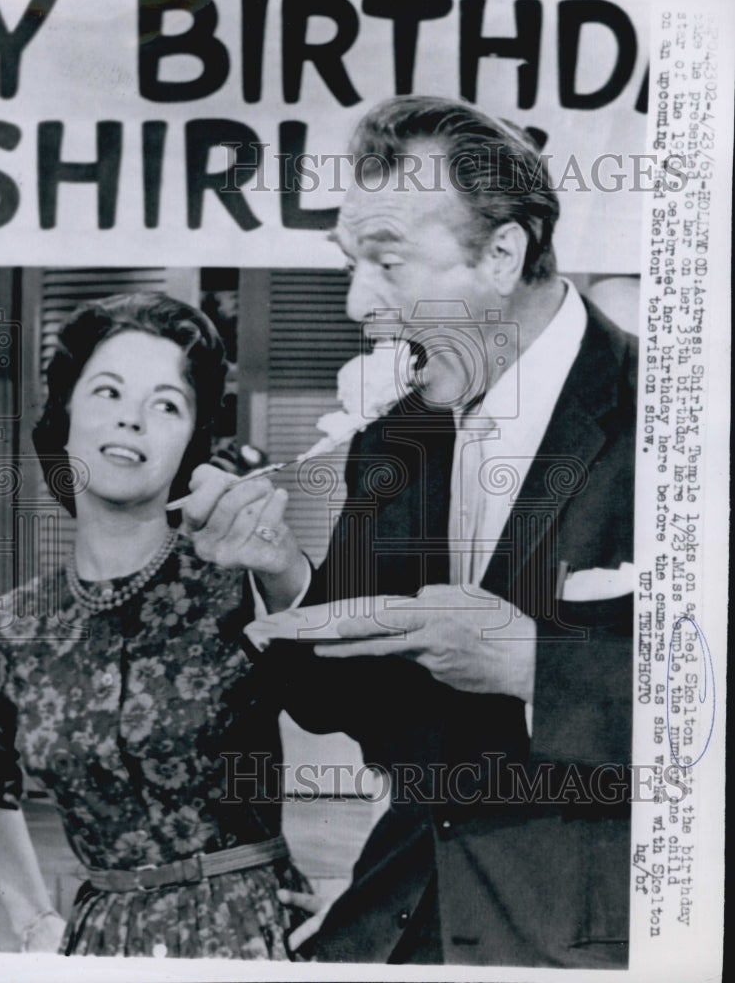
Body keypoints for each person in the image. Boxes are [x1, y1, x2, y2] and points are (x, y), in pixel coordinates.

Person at [204, 96, 637, 966]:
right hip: (396, 917)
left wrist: (530, 664)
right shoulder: (395, 437)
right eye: (349, 262)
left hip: (589, 939)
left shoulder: (677, 418)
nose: (359, 303)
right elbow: (347, 704)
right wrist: (282, 568)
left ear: (503, 253)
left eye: (387, 262)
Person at [0, 292, 312, 958]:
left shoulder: (240, 581)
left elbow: (383, 713)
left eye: (166, 405)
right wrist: (33, 919)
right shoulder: (9, 631)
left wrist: (365, 894)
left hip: (249, 937)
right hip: (98, 944)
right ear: (63, 417)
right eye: (108, 392)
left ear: (190, 441)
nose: (133, 421)